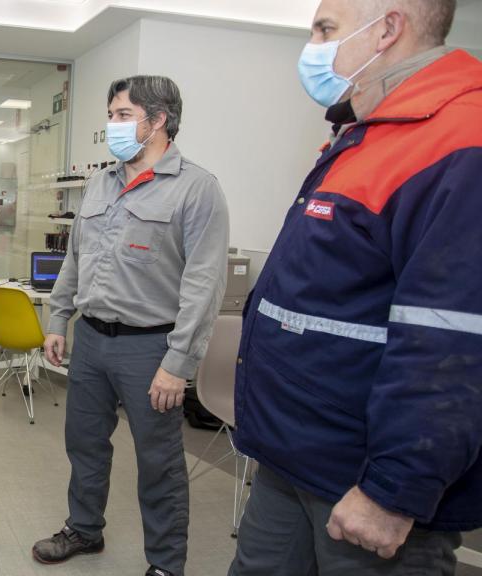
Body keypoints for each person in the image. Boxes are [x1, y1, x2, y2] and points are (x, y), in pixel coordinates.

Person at [230, 1, 482, 574]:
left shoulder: (459, 138)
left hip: (364, 485)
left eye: (325, 29)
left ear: (388, 28)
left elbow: (452, 343)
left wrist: (394, 490)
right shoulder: (364, 135)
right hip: (292, 455)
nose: (312, 46)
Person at [33, 75, 229, 576]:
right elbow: (75, 259)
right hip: (92, 340)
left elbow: (203, 288)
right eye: (112, 114)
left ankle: (165, 564)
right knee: (84, 443)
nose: (112, 125)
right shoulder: (102, 182)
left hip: (150, 349)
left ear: (158, 121)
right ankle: (84, 528)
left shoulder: (197, 189)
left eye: (122, 116)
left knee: (159, 463)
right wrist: (59, 318)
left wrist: (177, 364)